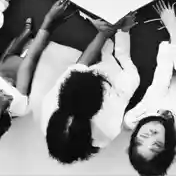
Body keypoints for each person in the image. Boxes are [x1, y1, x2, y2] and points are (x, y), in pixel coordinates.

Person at [0, 0, 75, 154]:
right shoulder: (17, 105)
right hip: (29, 65)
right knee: (27, 61)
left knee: (3, 63)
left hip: (7, 62)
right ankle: (38, 35)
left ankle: (25, 34)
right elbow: (30, 61)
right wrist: (48, 20)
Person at [41, 11, 139, 164]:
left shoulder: (51, 105)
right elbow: (125, 88)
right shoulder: (108, 128)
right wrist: (123, 32)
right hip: (112, 81)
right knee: (133, 78)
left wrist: (104, 33)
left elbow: (81, 65)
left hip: (85, 76)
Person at [123, 0, 176, 175]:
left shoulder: (134, 118)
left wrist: (170, 39)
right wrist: (173, 30)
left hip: (165, 79)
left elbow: (159, 84)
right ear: (168, 147)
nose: (150, 131)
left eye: (143, 137)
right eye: (157, 143)